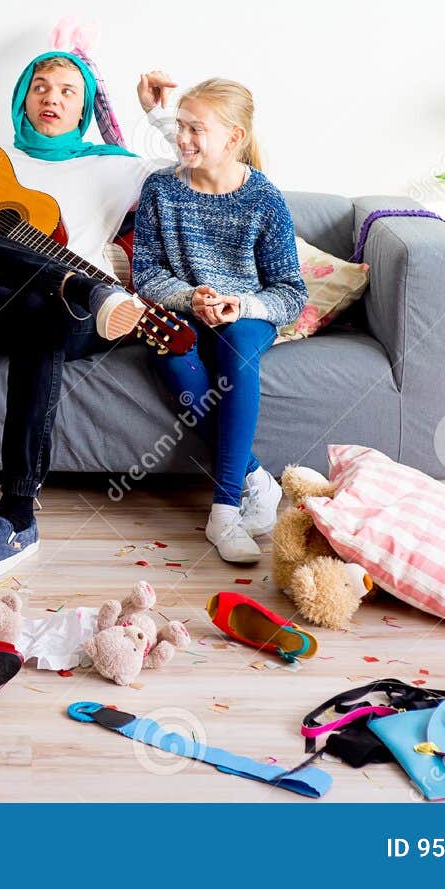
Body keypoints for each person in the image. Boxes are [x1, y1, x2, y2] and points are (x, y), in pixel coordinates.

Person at [0, 52, 189, 578]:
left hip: (71, 316)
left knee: (40, 311)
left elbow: (211, 173)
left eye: (66, 90)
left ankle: (16, 516)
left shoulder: (118, 167)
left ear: (84, 107)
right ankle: (78, 283)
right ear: (22, 97)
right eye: (40, 87)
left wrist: (160, 115)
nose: (51, 98)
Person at [133, 78, 308, 564]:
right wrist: (190, 298)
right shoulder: (161, 189)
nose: (182, 138)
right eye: (180, 126)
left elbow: (290, 292)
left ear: (234, 138)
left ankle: (225, 509)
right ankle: (257, 479)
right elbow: (146, 273)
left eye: (196, 129)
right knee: (168, 349)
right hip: (185, 309)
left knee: (236, 347)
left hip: (245, 314)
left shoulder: (264, 199)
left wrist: (240, 306)